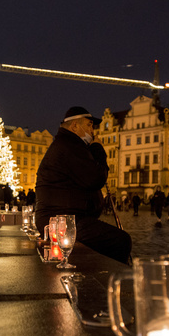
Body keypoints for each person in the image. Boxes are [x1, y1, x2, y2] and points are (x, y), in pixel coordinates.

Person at [35, 106, 131, 265]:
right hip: (62, 220)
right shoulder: (69, 146)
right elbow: (96, 178)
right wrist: (98, 148)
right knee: (120, 240)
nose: (93, 131)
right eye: (89, 125)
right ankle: (112, 281)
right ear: (74, 126)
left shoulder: (68, 145)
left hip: (62, 217)